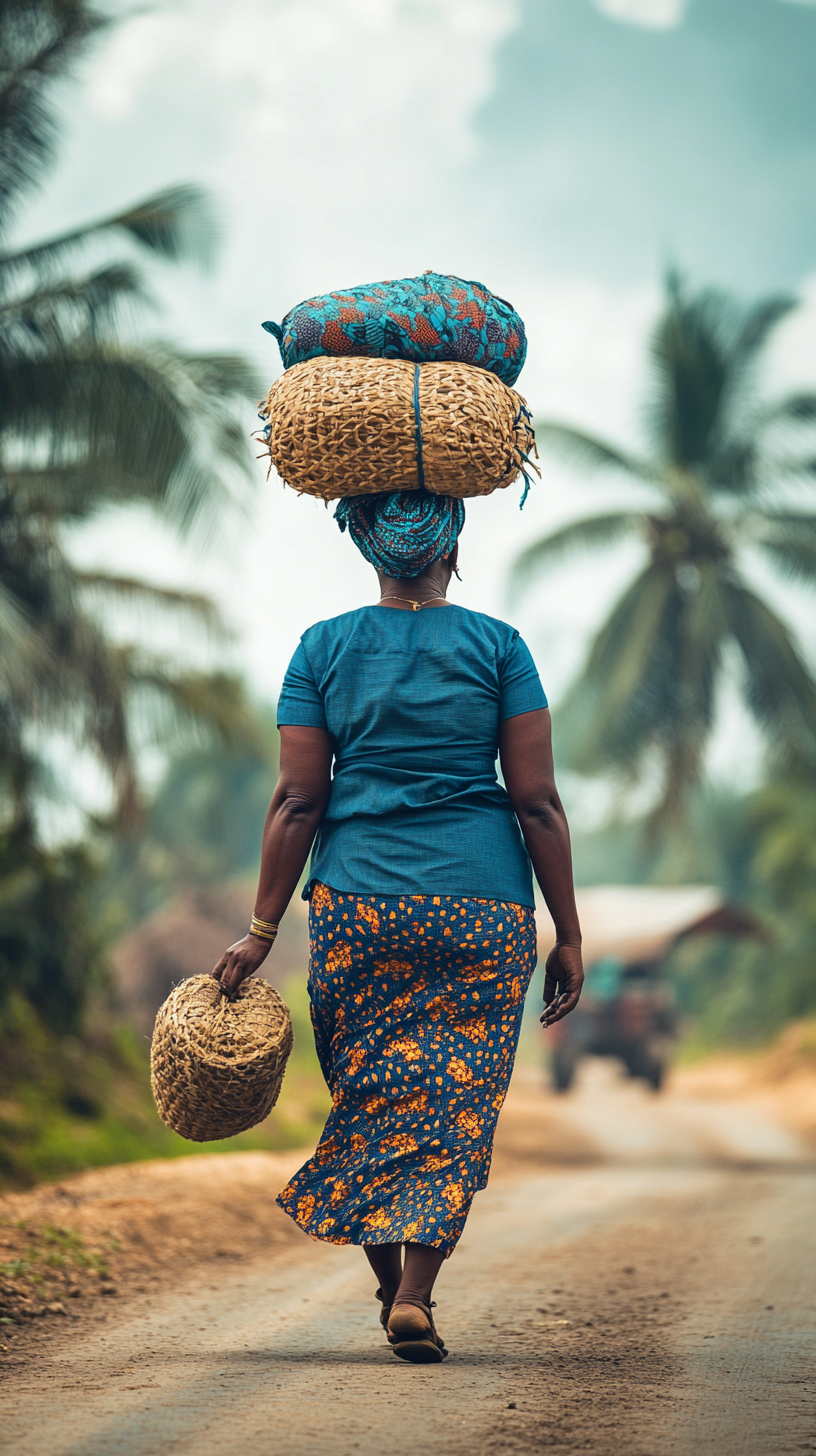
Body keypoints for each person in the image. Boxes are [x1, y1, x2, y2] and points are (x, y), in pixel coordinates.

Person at [212, 490, 583, 1364]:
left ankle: (397, 1291)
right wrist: (566, 930)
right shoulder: (500, 648)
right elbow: (537, 803)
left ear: (367, 550)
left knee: (371, 1096)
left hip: (357, 907)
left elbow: (299, 799)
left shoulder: (323, 649)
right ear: (454, 547)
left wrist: (262, 927)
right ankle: (411, 1291)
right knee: (455, 1101)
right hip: (483, 906)